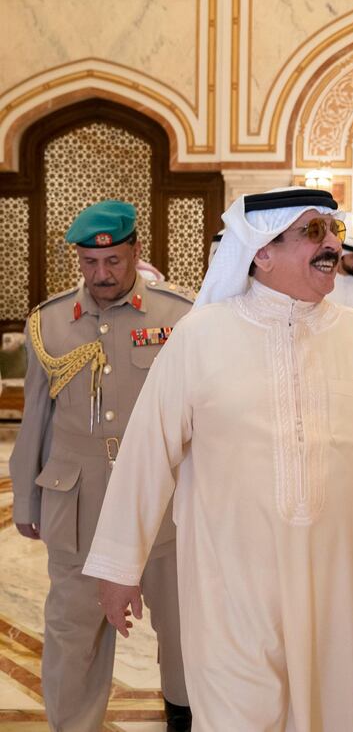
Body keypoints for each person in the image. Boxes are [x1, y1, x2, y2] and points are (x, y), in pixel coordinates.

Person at [81, 187, 353, 732]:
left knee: (330, 715)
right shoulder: (202, 336)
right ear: (261, 251)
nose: (330, 246)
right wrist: (118, 566)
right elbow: (146, 452)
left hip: (334, 588)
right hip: (231, 588)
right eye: (312, 233)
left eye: (333, 232)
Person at [9, 200, 193, 732]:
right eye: (90, 263)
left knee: (183, 630)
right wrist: (27, 498)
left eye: (112, 261)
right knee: (72, 634)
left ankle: (185, 716)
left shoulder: (178, 317)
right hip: (78, 507)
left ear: (135, 251)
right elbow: (35, 420)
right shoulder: (49, 324)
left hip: (164, 506)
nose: (102, 275)